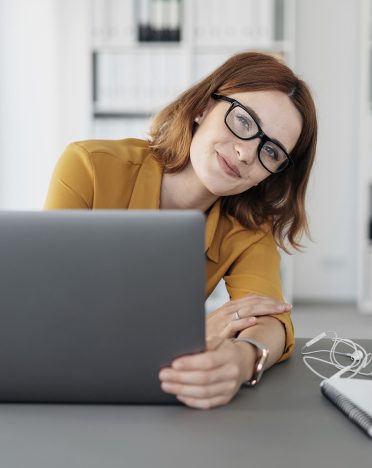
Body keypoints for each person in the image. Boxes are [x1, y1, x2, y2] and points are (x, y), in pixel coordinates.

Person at [44, 51, 317, 409]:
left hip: (154, 395)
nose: (247, 154)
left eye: (272, 152)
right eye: (244, 122)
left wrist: (242, 358)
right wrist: (190, 334)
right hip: (68, 387)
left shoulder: (248, 227)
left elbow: (272, 321)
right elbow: (51, 309)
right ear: (204, 106)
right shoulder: (89, 167)